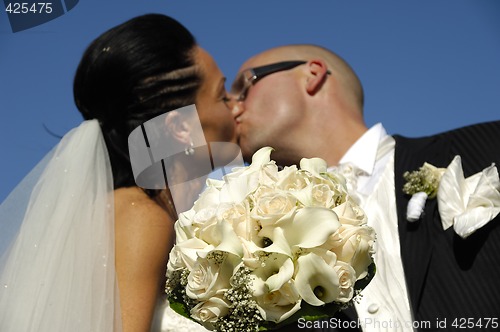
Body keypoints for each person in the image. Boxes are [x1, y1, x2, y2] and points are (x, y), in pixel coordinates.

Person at [231, 44, 500, 331]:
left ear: (313, 74)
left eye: (244, 86)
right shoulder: (252, 238)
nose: (232, 107)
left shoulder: (488, 144)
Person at [0, 14, 237, 332]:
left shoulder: (125, 211)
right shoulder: (143, 215)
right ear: (181, 127)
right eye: (222, 95)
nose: (235, 104)